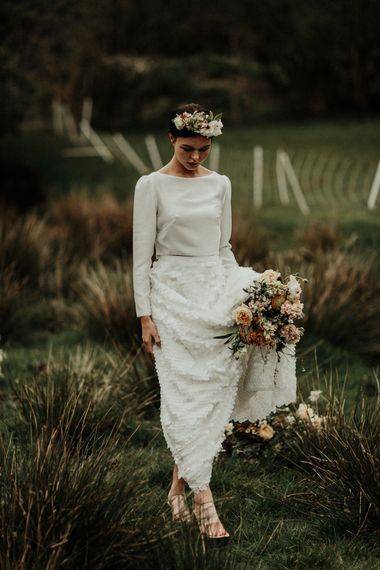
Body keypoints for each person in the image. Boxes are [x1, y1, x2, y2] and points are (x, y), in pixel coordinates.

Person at [132, 103, 297, 541]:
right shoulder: (150, 186)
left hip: (213, 289)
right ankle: (205, 501)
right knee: (183, 393)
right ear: (171, 139)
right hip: (171, 294)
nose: (196, 157)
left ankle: (176, 490)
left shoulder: (220, 184)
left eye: (204, 149)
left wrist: (250, 292)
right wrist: (143, 315)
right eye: (188, 148)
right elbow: (140, 257)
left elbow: (225, 248)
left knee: (210, 396)